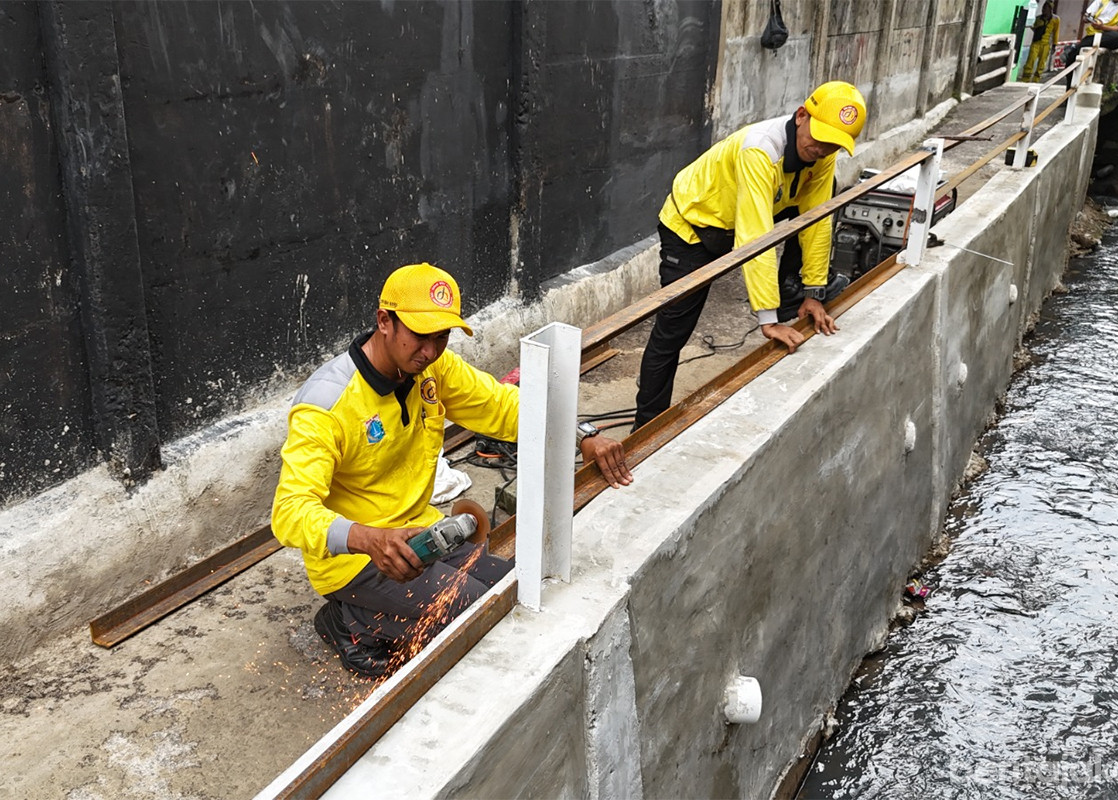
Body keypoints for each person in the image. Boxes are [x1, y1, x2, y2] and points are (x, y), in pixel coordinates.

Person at [272, 263, 633, 677]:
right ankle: (349, 623)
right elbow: (289, 511)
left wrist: (581, 434)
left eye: (441, 337)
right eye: (419, 336)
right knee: (477, 622)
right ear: (384, 321)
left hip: (422, 535)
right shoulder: (327, 404)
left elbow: (501, 405)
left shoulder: (431, 369)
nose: (430, 350)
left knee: (516, 589)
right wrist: (368, 539)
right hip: (358, 560)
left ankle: (377, 617)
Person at [633, 81, 868, 430]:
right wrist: (767, 319)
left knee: (819, 205)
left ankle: (791, 291)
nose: (822, 149)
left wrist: (813, 292)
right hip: (694, 227)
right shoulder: (761, 150)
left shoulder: (823, 152)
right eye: (819, 138)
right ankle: (647, 424)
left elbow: (816, 221)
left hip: (738, 220)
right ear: (801, 115)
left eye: (833, 144)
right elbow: (754, 237)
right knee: (674, 328)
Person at [1063, 0, 1118, 66]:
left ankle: (1076, 47)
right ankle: (1074, 52)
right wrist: (1087, 19)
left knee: (1117, 37)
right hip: (1093, 35)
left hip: (1110, 36)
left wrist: (1102, 27)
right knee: (1074, 56)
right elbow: (1086, 16)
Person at [1019, 2, 1060, 83]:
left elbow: (1056, 32)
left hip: (1046, 44)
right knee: (1030, 62)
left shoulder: (1055, 19)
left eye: (1045, 8)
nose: (1043, 10)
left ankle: (1036, 81)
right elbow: (1034, 29)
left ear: (1050, 9)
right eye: (1043, 8)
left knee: (1041, 64)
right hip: (1036, 43)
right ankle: (1025, 80)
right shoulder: (1038, 18)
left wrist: (1054, 45)